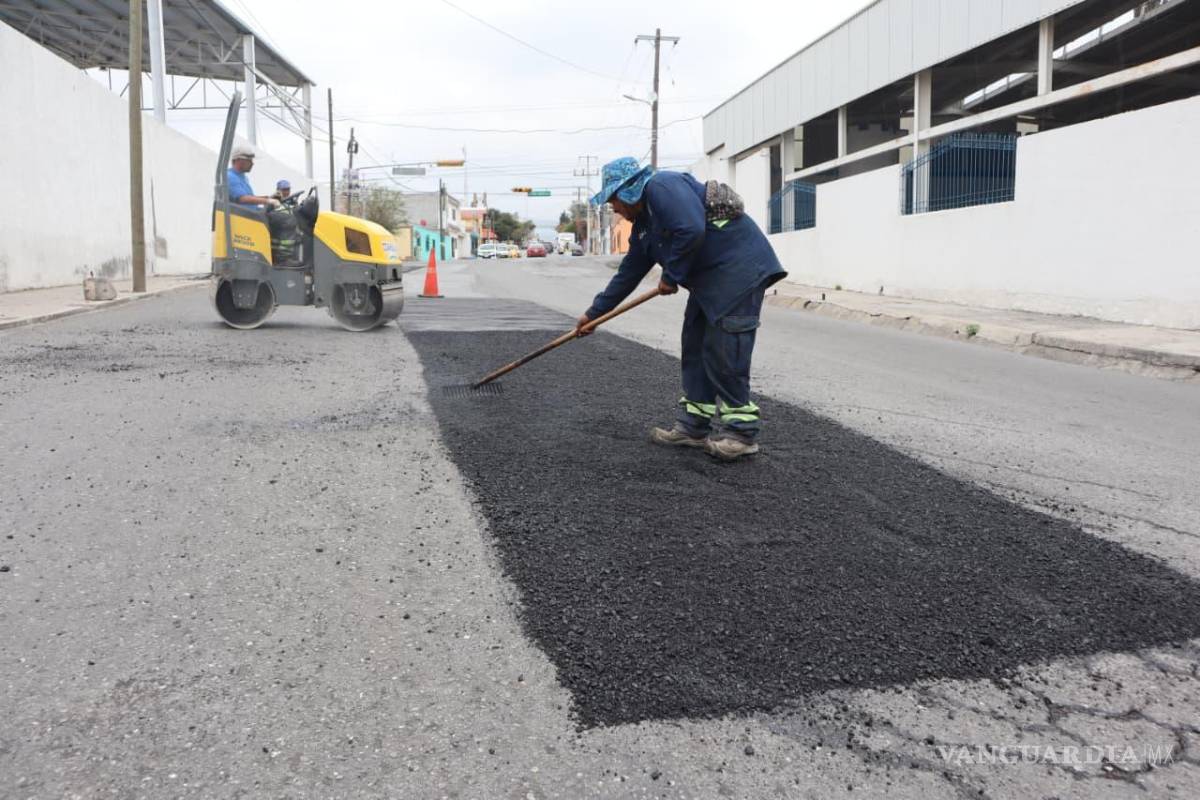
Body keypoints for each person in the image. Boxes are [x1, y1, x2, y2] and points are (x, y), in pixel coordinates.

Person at [576, 157, 786, 461]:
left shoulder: (663, 186)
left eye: (614, 202)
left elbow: (691, 228)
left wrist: (671, 275)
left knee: (724, 349)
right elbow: (628, 275)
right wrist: (593, 315)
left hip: (740, 272)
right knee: (695, 345)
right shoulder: (643, 229)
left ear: (628, 192)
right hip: (709, 282)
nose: (615, 210)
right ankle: (693, 426)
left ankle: (742, 433)